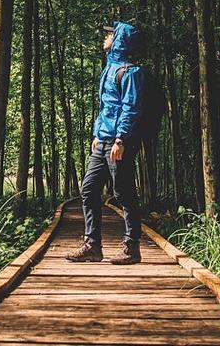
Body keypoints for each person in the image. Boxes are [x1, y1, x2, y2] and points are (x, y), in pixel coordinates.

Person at [66, 20, 143, 264]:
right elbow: (105, 107)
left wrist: (120, 138)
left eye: (109, 35)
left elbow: (130, 108)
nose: (104, 39)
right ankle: (92, 245)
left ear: (119, 39)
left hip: (119, 142)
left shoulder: (131, 72)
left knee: (124, 194)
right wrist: (97, 134)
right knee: (88, 189)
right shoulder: (109, 69)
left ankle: (132, 248)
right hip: (102, 142)